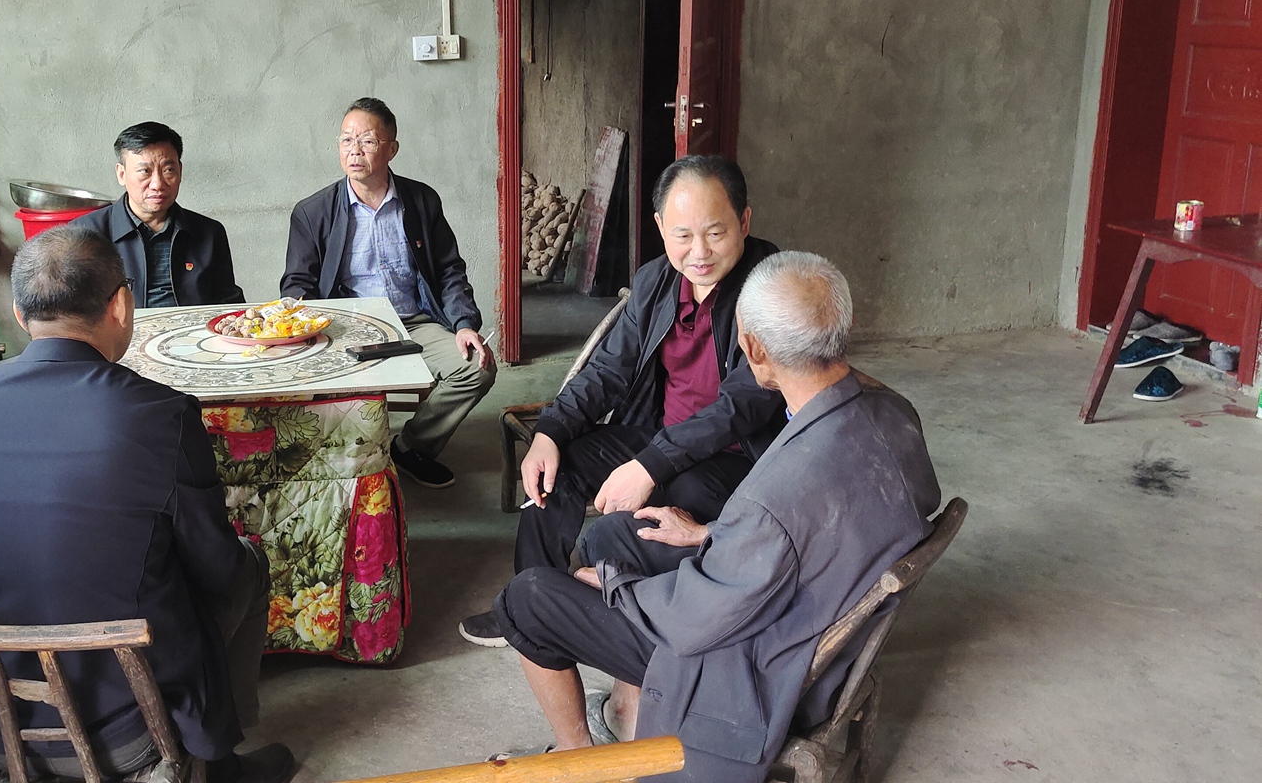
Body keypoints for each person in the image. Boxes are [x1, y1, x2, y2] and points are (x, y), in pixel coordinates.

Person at [493, 251, 941, 783]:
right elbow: (813, 532)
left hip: (754, 667)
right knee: (619, 534)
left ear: (752, 349)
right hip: (807, 606)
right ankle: (630, 714)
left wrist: (619, 587)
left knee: (528, 598)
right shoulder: (895, 413)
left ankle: (580, 762)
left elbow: (694, 622)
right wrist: (710, 533)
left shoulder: (775, 495)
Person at [0, 225, 294, 783]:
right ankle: (219, 763)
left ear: (21, 316)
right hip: (125, 732)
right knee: (244, 564)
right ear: (121, 304)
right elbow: (217, 566)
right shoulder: (160, 414)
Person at [458, 155, 787, 647]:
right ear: (660, 228)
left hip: (738, 457)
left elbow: (744, 404)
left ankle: (622, 613)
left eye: (716, 233)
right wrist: (550, 431)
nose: (699, 252)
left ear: (744, 221)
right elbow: (608, 370)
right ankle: (532, 602)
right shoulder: (656, 281)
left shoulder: (772, 288)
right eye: (682, 235)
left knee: (663, 509)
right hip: (658, 434)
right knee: (558, 468)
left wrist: (649, 466)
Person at [281, 97, 495, 488]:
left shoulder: (421, 201)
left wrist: (465, 324)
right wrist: (298, 311)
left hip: (413, 323)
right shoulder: (312, 212)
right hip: (346, 329)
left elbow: (449, 270)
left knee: (476, 368)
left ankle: (410, 447)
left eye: (367, 141)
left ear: (391, 148)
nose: (354, 151)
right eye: (346, 140)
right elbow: (297, 282)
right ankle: (342, 464)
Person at [67, 121, 245, 308]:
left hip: (194, 327)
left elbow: (228, 305)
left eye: (168, 170)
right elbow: (71, 312)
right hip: (123, 328)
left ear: (180, 170)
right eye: (145, 171)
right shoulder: (84, 234)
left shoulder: (209, 232)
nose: (157, 184)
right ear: (121, 174)